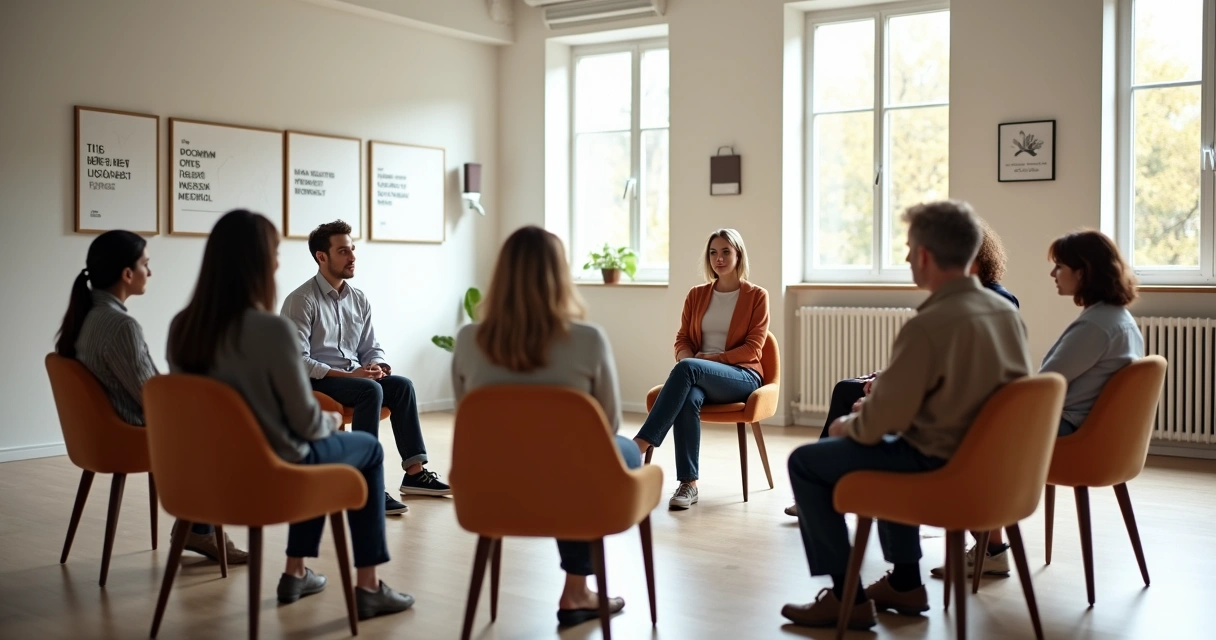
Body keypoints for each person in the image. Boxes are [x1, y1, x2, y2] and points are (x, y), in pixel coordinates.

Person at [781, 200, 1032, 630]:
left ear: (925, 256)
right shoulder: (1006, 313)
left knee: (806, 462)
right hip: (997, 468)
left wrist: (847, 424)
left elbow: (882, 422)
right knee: (890, 445)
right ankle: (903, 583)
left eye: (908, 246)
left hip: (942, 467)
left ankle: (847, 598)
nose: (904, 256)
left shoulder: (930, 323)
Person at [167, 210, 412, 620]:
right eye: (274, 253)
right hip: (269, 473)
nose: (278, 262)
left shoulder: (182, 328)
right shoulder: (270, 330)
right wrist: (333, 423)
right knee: (362, 447)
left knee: (315, 446)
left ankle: (298, 573)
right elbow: (305, 424)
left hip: (201, 479)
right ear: (258, 262)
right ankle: (366, 585)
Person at [451, 226, 638, 627]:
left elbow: (467, 416)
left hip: (491, 488)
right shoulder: (588, 340)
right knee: (619, 451)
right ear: (560, 274)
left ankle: (576, 590)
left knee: (574, 460)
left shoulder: (468, 340)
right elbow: (610, 424)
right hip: (572, 483)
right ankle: (576, 588)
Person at [931, 229, 1143, 579]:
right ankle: (990, 546)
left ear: (1083, 271)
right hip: (1088, 432)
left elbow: (1043, 387)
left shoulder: (1096, 326)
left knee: (957, 434)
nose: (1052, 273)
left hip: (1067, 431)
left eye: (1059, 266)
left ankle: (989, 547)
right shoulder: (1117, 319)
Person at [784, 221, 1020, 517]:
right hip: (968, 430)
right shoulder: (982, 305)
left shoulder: (978, 305)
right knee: (847, 387)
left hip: (945, 438)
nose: (909, 260)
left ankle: (829, 509)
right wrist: (887, 379)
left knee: (818, 452)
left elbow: (950, 381)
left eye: (915, 252)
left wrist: (875, 402)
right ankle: (830, 485)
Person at [54, 230, 247, 564]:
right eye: (146, 264)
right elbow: (151, 398)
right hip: (130, 432)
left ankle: (196, 528)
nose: (150, 272)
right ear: (127, 274)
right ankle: (199, 530)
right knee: (216, 426)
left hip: (101, 435)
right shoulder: (119, 325)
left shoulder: (89, 315)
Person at [281, 220, 450, 517]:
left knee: (401, 385)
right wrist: (351, 375)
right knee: (369, 390)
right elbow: (297, 362)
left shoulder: (358, 298)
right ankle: (366, 481)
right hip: (315, 381)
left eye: (353, 250)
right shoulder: (301, 300)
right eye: (343, 251)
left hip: (353, 378)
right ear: (322, 257)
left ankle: (414, 473)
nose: (352, 257)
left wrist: (377, 363)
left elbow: (370, 345)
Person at [631, 229, 768, 510]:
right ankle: (688, 484)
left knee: (689, 369)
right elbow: (683, 339)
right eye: (713, 252)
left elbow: (754, 348)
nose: (719, 258)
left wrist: (708, 361)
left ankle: (641, 444)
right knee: (688, 397)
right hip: (698, 377)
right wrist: (688, 360)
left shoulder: (756, 296)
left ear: (738, 254)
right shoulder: (697, 295)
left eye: (726, 252)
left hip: (741, 376)